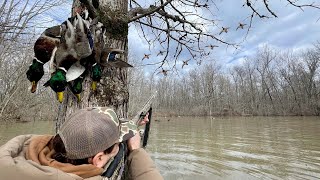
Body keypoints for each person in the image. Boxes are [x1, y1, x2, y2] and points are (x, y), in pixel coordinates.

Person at [0, 107, 163, 180]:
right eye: (116, 145)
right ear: (98, 158)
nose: (118, 147)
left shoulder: (15, 158)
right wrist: (135, 151)